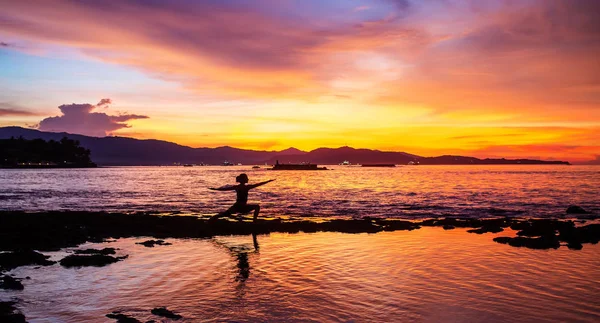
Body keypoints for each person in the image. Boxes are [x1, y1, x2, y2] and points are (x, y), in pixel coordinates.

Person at [209, 174, 275, 221]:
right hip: (241, 206)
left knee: (225, 214)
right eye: (246, 178)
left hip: (237, 206)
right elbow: (258, 184)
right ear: (244, 179)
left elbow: (225, 189)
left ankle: (211, 219)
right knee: (257, 207)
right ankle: (254, 221)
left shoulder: (237, 187)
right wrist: (268, 181)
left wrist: (215, 189)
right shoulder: (246, 187)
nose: (248, 179)